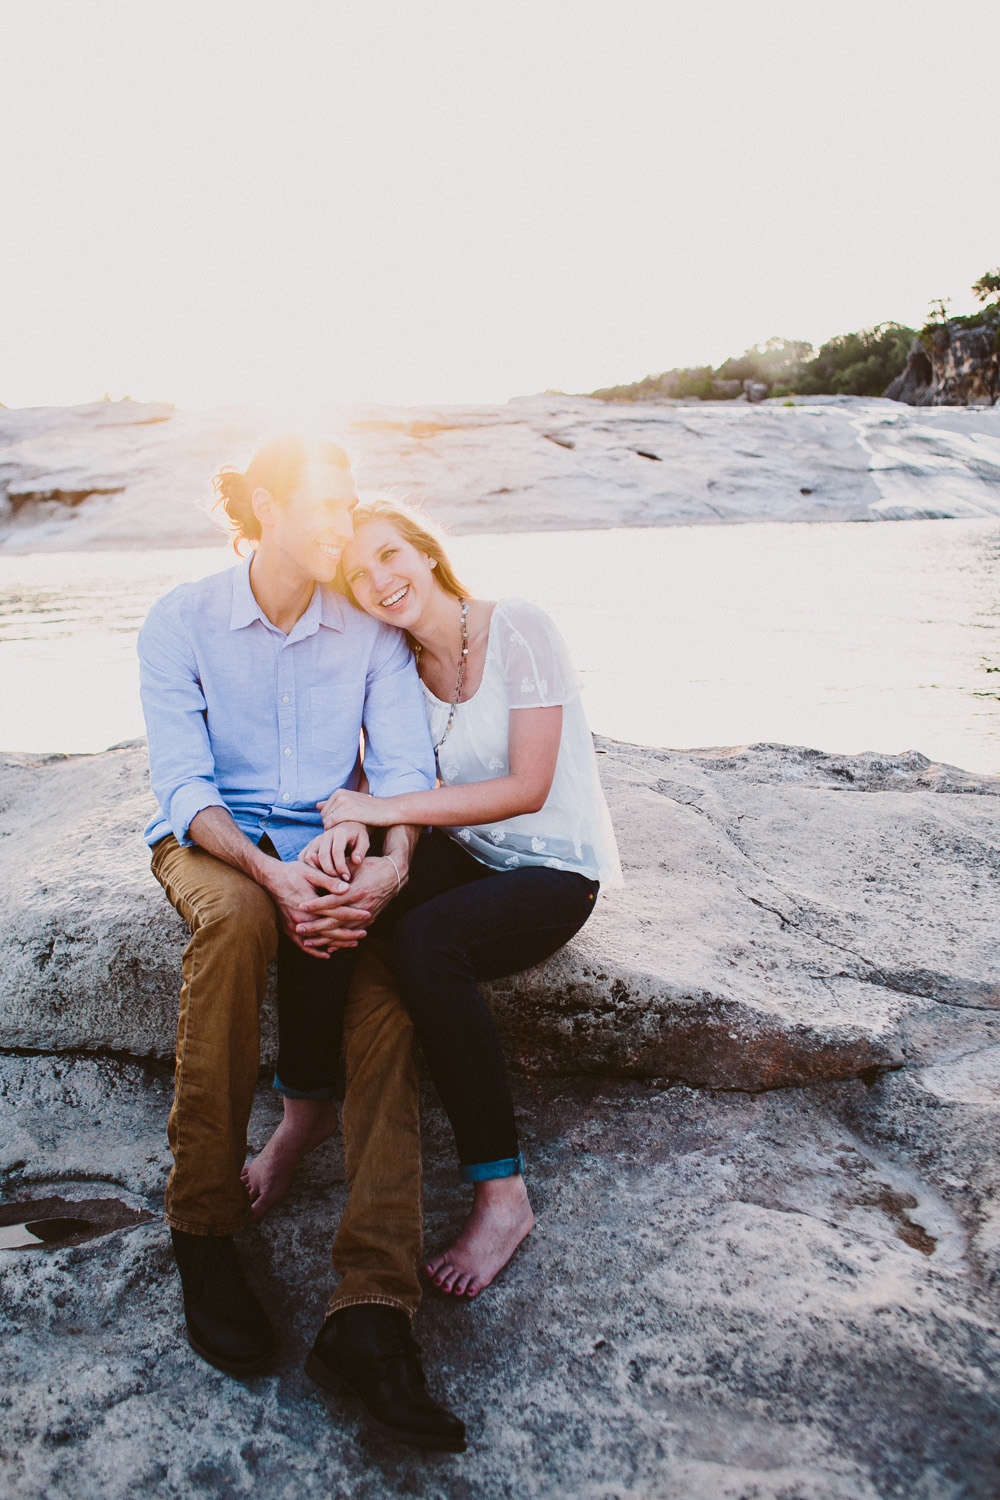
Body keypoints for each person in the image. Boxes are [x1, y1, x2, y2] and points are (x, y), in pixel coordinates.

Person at [138, 437, 465, 1453]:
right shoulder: (180, 619)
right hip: (216, 844)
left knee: (386, 994)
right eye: (324, 507)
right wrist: (271, 877)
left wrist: (389, 866)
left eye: (351, 505)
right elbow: (182, 786)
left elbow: (404, 767)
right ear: (267, 507)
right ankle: (203, 1224)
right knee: (237, 926)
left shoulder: (363, 628)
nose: (344, 526)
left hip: (333, 843)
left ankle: (370, 1309)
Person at [245, 496, 622, 1299]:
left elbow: (528, 785)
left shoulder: (518, 626)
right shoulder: (393, 666)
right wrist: (351, 835)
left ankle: (502, 1195)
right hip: (462, 853)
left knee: (426, 945)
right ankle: (305, 1107)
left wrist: (384, 811)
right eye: (356, 575)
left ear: (426, 552)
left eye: (389, 556)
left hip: (553, 868)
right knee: (327, 888)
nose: (379, 581)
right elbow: (380, 778)